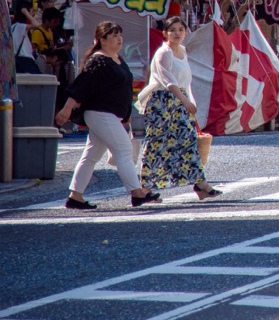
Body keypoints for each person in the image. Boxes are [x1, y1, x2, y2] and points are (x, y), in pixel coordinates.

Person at [56, 22, 161, 210]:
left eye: (120, 34)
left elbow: (124, 89)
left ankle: (75, 195)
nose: (119, 38)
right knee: (123, 149)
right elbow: (81, 86)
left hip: (110, 114)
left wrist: (126, 115)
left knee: (91, 155)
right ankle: (136, 192)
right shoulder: (99, 60)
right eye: (113, 35)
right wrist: (66, 109)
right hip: (100, 112)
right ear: (102, 40)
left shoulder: (116, 58)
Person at [137, 17, 221, 200]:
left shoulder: (182, 51)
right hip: (162, 102)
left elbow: (186, 80)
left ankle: (200, 184)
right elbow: (168, 81)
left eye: (181, 29)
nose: (177, 33)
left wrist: (190, 100)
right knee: (157, 145)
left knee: (188, 141)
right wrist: (185, 100)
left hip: (179, 100)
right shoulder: (163, 53)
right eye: (172, 30)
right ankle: (145, 188)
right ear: (165, 33)